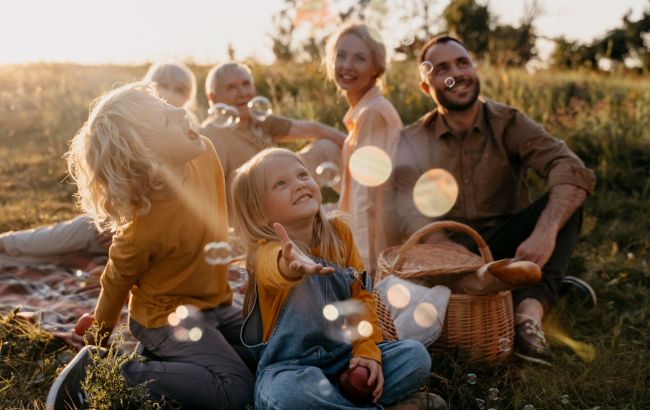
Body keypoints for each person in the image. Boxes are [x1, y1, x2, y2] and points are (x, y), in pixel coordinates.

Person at [390, 35, 597, 366]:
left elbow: (571, 168)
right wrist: (447, 251)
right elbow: (408, 213)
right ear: (426, 88)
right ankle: (535, 285)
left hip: (511, 243)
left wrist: (544, 231)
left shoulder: (509, 122)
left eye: (462, 62)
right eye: (441, 68)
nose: (456, 73)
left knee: (564, 203)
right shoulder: (412, 140)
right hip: (452, 252)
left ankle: (527, 317)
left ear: (474, 68)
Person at [64, 82, 253, 408]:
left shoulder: (205, 152)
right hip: (164, 318)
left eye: (169, 106)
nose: (180, 110)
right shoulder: (143, 229)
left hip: (216, 302)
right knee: (237, 390)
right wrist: (97, 339)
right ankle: (109, 371)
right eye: (167, 119)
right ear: (148, 155)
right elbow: (114, 283)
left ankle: (171, 362)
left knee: (272, 350)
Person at [230, 147, 446, 410]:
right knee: (286, 396)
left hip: (345, 360)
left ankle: (336, 403)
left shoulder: (340, 235)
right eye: (280, 184)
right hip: (291, 371)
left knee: (415, 357)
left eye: (302, 175)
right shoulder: (267, 252)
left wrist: (368, 355)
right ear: (259, 213)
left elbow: (361, 298)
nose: (299, 185)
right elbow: (273, 269)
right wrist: (290, 266)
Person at [0, 62, 200, 265]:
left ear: (189, 97)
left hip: (158, 236)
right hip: (125, 220)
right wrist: (121, 221)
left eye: (180, 90)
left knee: (73, 247)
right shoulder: (133, 131)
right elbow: (123, 182)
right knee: (80, 228)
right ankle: (8, 244)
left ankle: (41, 256)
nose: (171, 94)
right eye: (163, 86)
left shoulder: (194, 137)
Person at [199, 62, 345, 202]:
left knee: (327, 147)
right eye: (231, 88)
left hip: (282, 186)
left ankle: (357, 204)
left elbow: (308, 129)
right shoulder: (211, 133)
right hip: (252, 207)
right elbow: (212, 193)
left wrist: (354, 143)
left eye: (246, 84)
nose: (243, 93)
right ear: (213, 98)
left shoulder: (257, 119)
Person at [323, 21, 403, 273]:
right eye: (341, 56)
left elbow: (365, 198)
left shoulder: (372, 114)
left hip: (378, 244)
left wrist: (364, 271)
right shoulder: (364, 112)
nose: (347, 65)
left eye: (359, 58)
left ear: (376, 69)